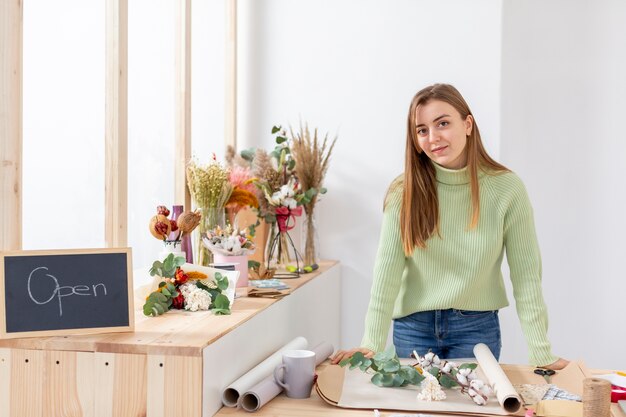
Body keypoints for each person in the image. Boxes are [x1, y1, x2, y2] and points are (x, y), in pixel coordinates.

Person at [332, 83, 567, 370]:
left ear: (468, 124)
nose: (433, 137)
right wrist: (371, 342)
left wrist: (541, 352)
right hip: (412, 328)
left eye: (442, 123)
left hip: (476, 330)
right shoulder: (403, 190)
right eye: (422, 130)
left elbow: (526, 275)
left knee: (472, 412)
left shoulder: (507, 188)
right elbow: (387, 272)